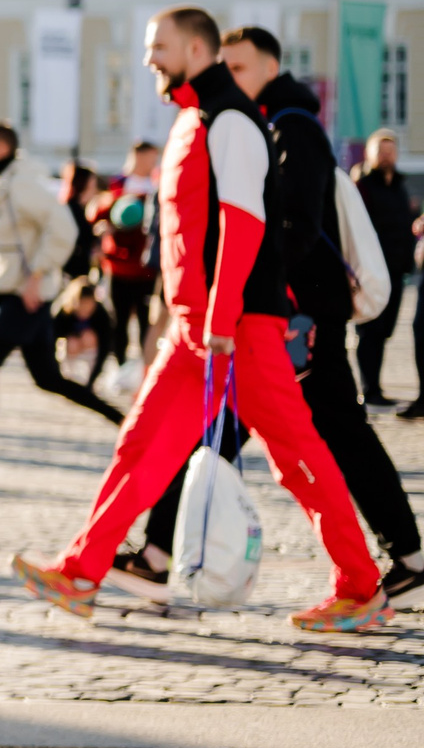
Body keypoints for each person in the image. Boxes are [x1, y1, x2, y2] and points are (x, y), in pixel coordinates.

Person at [16, 7, 386, 632]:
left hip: (237, 330)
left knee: (296, 455)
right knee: (140, 445)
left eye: (157, 46)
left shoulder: (230, 120)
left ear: (195, 48)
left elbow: (243, 223)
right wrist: (197, 323)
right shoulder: (196, 118)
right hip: (202, 333)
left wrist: (219, 319)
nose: (148, 59)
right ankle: (82, 572)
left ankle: (361, 584)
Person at [110, 31, 423, 606]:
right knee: (241, 430)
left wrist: (252, 290)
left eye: (239, 64)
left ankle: (401, 559)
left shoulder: (289, 126)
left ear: (270, 65)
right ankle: (155, 553)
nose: (228, 73)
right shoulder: (263, 121)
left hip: (299, 313)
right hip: (285, 311)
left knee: (328, 434)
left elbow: (295, 225)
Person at [0, 120, 123, 485]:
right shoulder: (3, 181)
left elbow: (63, 225)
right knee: (49, 378)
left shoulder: (20, 182)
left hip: (24, 296)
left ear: (0, 147)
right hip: (19, 291)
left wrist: (38, 274)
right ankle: (127, 424)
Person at [353, 131, 414, 409]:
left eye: (391, 150)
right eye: (381, 150)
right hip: (370, 272)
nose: (387, 155)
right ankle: (369, 390)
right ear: (369, 154)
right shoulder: (362, 185)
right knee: (370, 331)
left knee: (385, 331)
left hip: (397, 271)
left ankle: (375, 387)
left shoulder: (400, 186)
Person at [94, 142, 161, 388]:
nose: (152, 163)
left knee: (147, 322)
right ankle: (120, 368)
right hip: (118, 265)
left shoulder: (158, 183)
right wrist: (104, 225)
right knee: (118, 321)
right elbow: (98, 214)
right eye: (149, 158)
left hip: (146, 268)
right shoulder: (117, 185)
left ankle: (145, 373)